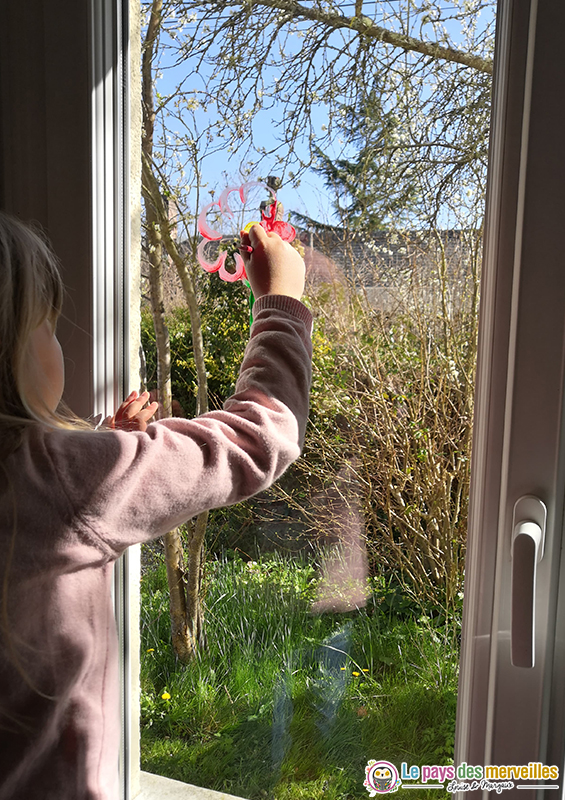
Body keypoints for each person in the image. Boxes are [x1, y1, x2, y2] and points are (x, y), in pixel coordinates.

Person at [0, 211, 312, 799]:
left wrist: (104, 440)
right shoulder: (66, 480)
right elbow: (257, 437)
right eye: (45, 323)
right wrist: (281, 302)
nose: (57, 337)